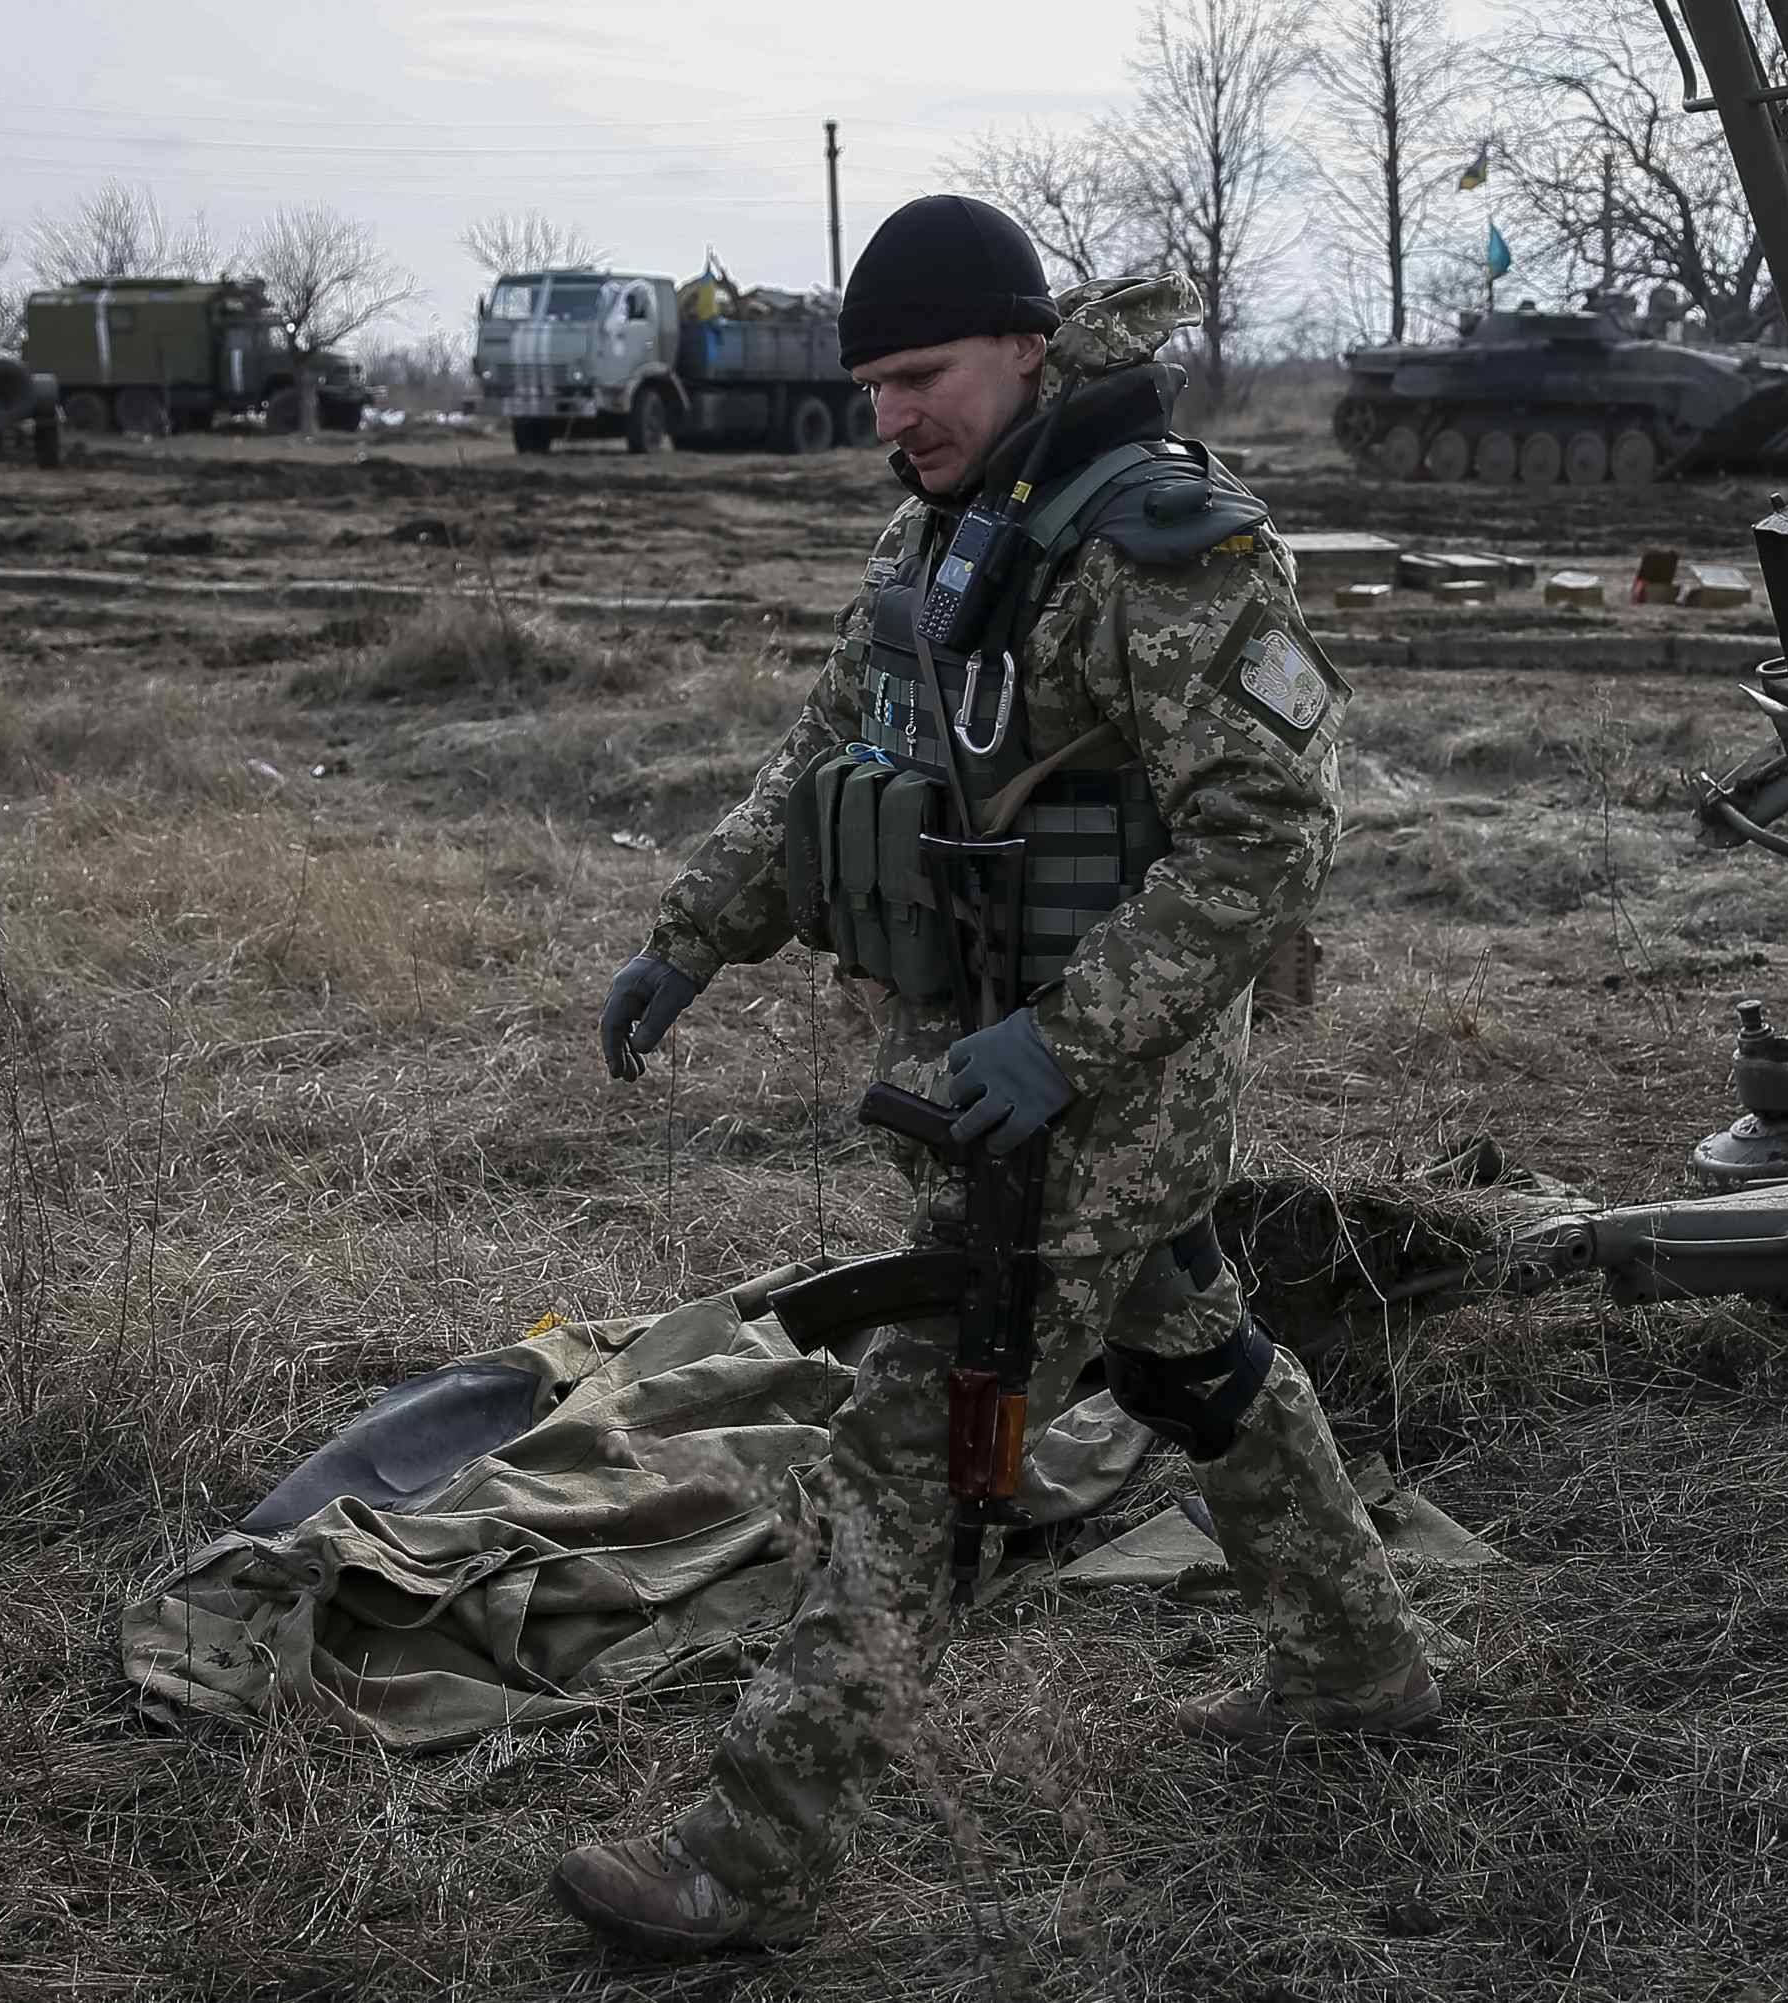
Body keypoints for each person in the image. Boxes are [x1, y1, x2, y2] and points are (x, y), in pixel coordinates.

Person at [555, 195, 1436, 1962]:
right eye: (874, 383)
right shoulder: (946, 538)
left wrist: (1067, 1040)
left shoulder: (1161, 544)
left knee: (917, 1437)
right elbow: (830, 758)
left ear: (1030, 346)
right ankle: (1364, 1669)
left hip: (1105, 1081)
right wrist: (691, 936)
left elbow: (1271, 832)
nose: (897, 413)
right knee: (1189, 1347)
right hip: (987, 1060)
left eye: (925, 374)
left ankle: (755, 1860)